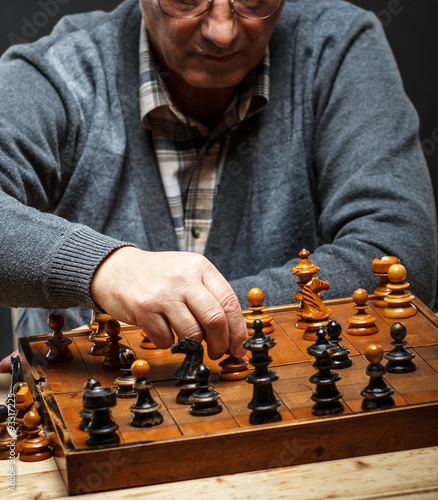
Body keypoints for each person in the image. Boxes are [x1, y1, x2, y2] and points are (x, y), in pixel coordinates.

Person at [0, 0, 436, 371]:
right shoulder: (56, 70)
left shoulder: (337, 47)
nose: (223, 32)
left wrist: (149, 331)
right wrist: (107, 268)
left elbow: (399, 256)